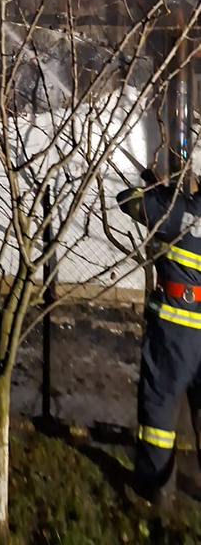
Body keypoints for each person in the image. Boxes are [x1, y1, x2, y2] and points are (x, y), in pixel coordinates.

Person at [117, 169, 201, 502]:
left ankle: (154, 489)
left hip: (176, 330)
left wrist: (159, 190)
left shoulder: (178, 211)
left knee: (159, 406)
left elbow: (128, 201)